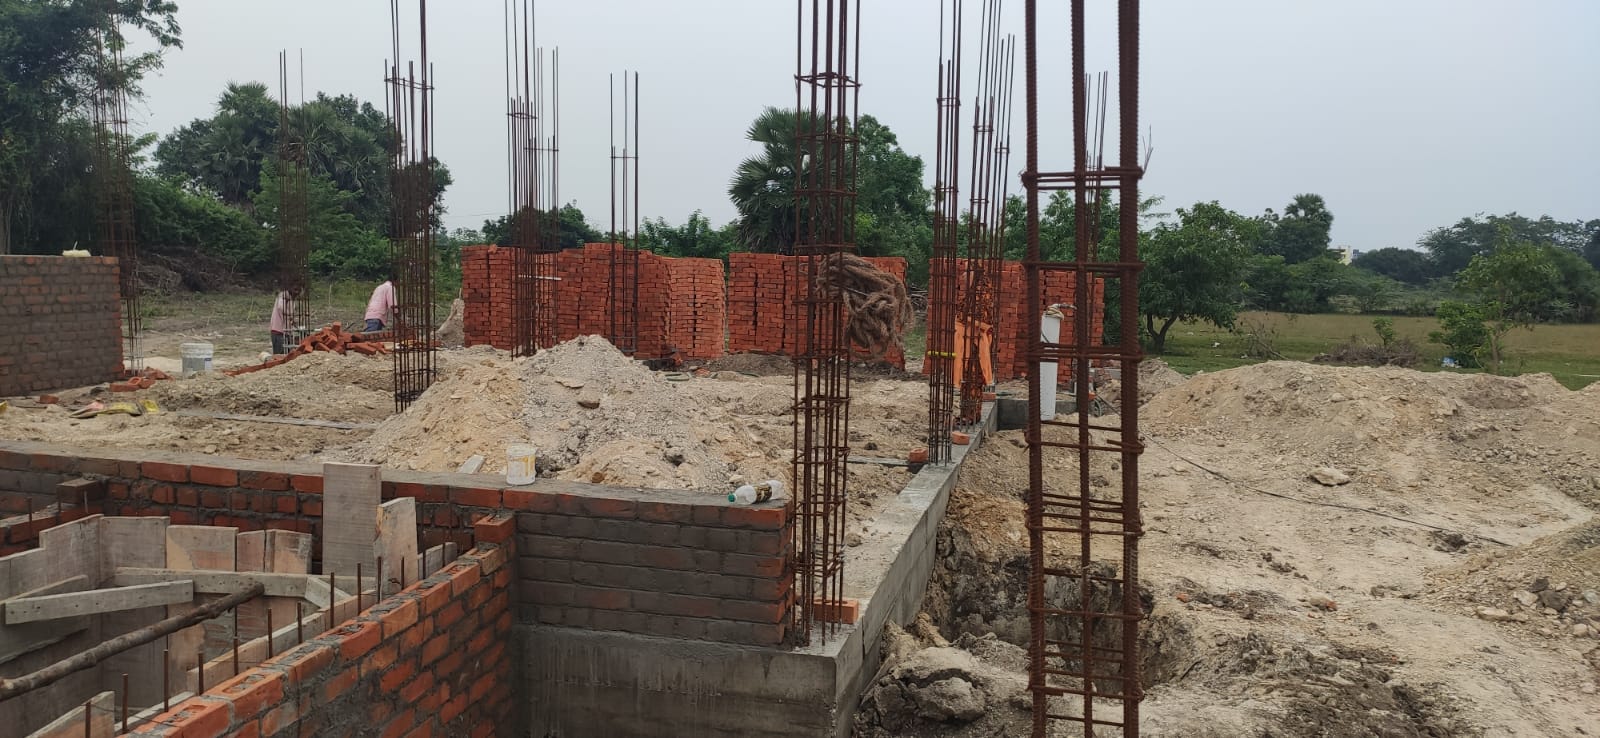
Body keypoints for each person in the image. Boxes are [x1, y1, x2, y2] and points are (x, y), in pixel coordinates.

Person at [269, 289, 291, 355]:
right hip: (278, 331)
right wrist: (289, 314)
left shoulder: (289, 299)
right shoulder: (282, 296)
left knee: (286, 354)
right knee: (279, 355)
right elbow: (280, 307)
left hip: (285, 331)